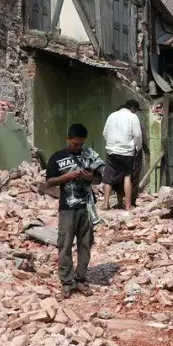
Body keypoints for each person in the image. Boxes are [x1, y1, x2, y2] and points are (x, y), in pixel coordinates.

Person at [44, 124, 106, 295]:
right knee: (64, 245)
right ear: (68, 139)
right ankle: (67, 281)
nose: (78, 147)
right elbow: (48, 182)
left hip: (86, 208)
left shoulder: (89, 155)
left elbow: (99, 179)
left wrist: (90, 177)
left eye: (81, 144)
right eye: (75, 144)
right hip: (67, 209)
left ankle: (81, 279)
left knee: (85, 245)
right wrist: (67, 177)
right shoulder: (57, 157)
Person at [102, 99, 145, 209]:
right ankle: (128, 205)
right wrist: (137, 148)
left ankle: (106, 204)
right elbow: (138, 135)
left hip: (112, 151)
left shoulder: (112, 116)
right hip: (126, 152)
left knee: (109, 178)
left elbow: (105, 133)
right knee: (127, 176)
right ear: (133, 109)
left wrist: (111, 144)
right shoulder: (133, 117)